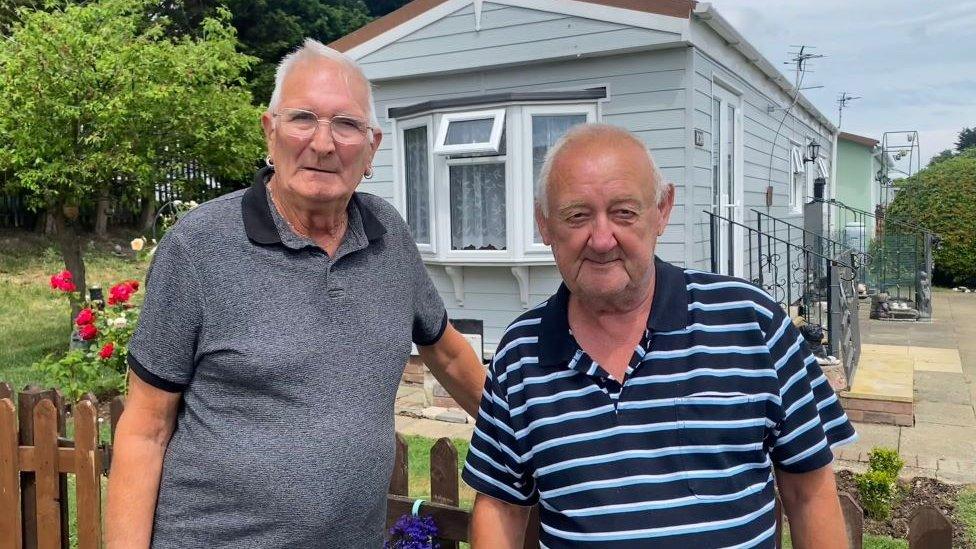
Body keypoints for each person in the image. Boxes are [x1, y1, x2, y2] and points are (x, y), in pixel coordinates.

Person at [105, 39, 486, 548]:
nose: (324, 143)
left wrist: (530, 432)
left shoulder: (388, 235)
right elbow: (145, 428)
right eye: (303, 117)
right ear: (270, 130)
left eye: (346, 125)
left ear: (371, 148)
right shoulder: (200, 247)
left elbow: (449, 353)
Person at [462, 124, 857, 548]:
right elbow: (500, 507)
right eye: (576, 215)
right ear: (544, 224)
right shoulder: (521, 351)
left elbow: (809, 492)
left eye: (623, 213)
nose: (600, 239)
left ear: (662, 210)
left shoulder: (752, 323)